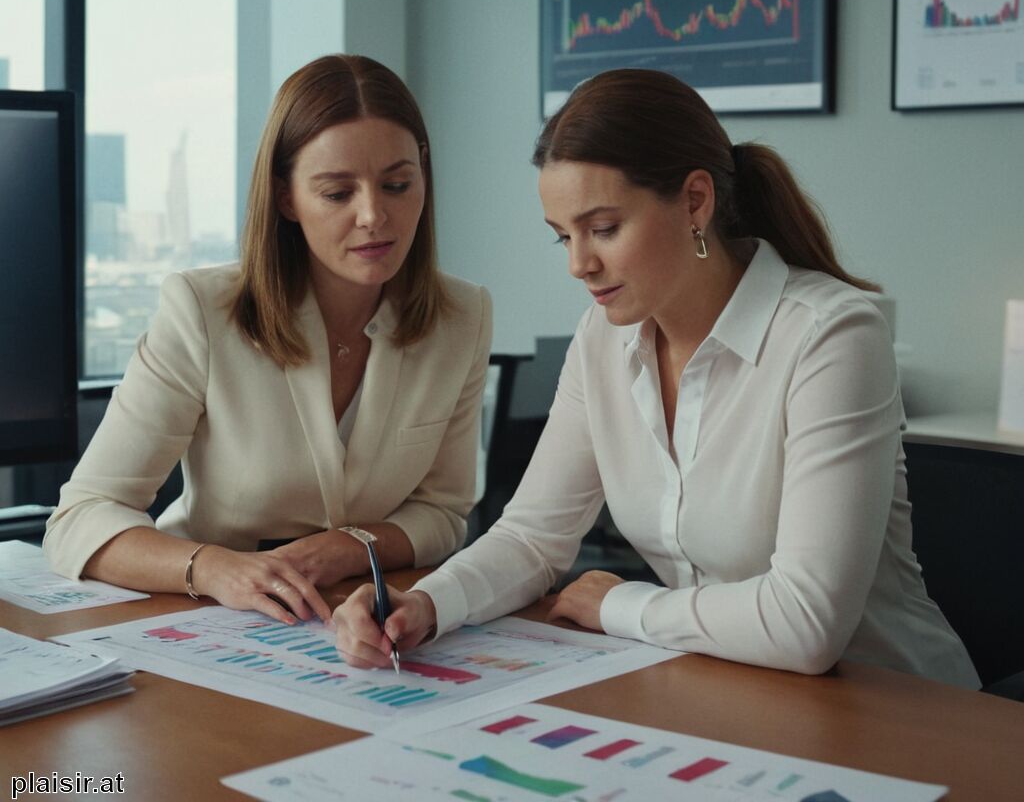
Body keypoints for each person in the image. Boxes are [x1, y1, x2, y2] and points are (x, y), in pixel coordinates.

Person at [334, 67, 979, 689]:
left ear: (695, 201)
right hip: (730, 694)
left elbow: (806, 621)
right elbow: (532, 537)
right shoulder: (603, 338)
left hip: (895, 709)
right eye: (563, 238)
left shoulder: (831, 337)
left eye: (604, 228)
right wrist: (426, 603)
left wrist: (621, 606)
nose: (580, 264)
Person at [44, 54, 492, 626]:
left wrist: (350, 545)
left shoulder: (463, 315)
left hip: (367, 617)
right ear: (286, 198)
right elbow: (81, 516)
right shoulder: (202, 311)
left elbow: (444, 512)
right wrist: (214, 568)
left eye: (397, 184)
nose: (375, 216)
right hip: (212, 617)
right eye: (336, 193)